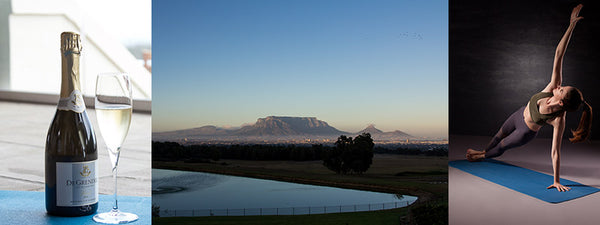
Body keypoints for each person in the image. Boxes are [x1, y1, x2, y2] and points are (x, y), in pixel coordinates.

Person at [465, 4, 592, 192]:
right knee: (497, 136)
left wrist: (556, 180)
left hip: (524, 132)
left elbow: (555, 152)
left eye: (562, 89)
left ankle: (481, 156)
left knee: (501, 147)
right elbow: (559, 54)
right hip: (518, 114)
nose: (559, 86)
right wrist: (571, 25)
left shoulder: (558, 120)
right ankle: (483, 151)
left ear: (562, 102)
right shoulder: (552, 87)